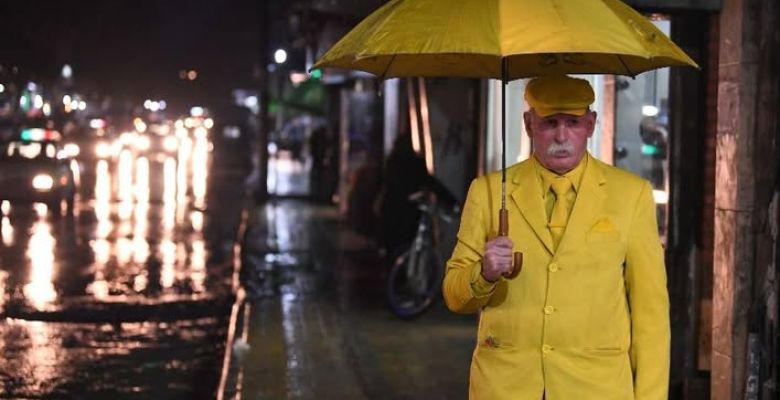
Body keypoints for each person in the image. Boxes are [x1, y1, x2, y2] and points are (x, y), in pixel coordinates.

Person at [443, 75, 669, 400]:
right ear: (528, 123)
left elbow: (651, 314)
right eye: (550, 122)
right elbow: (454, 296)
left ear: (590, 124)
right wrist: (484, 273)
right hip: (506, 387)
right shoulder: (490, 192)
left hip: (596, 388)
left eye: (573, 122)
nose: (561, 135)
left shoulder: (631, 195)